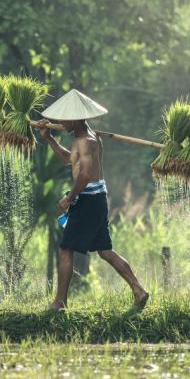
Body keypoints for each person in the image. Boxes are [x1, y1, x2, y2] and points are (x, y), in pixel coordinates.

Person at [36, 89, 149, 311]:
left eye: (65, 118)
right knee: (105, 250)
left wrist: (69, 198)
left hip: (88, 200)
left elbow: (85, 175)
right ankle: (139, 291)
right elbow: (70, 159)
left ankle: (60, 302)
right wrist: (49, 138)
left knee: (65, 249)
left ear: (76, 118)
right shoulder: (85, 138)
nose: (61, 121)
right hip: (96, 198)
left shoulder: (87, 140)